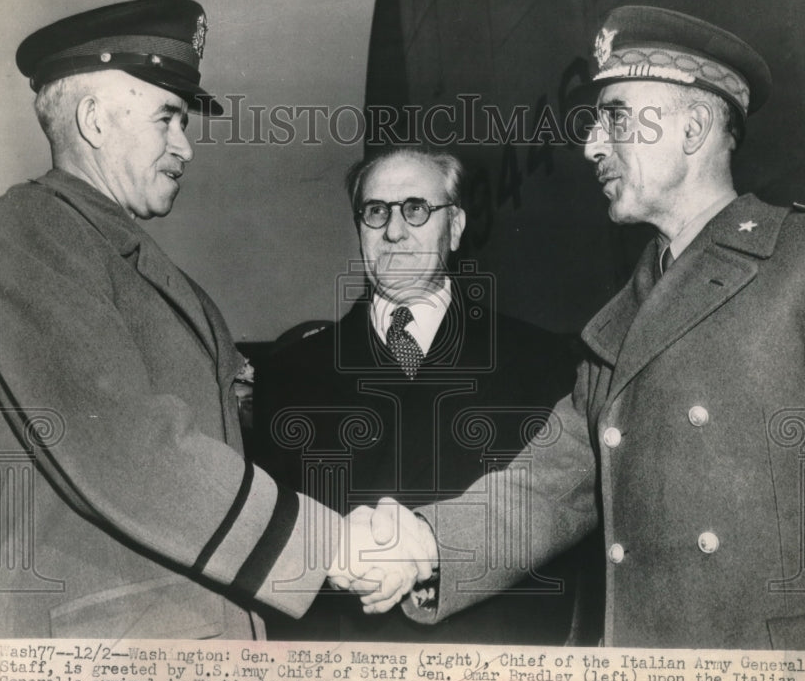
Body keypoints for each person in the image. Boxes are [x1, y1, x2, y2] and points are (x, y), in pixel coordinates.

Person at [359, 5, 805, 651]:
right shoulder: (618, 324)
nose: (591, 143)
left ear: (695, 126)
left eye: (616, 115)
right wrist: (422, 543)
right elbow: (544, 489)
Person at [0, 0, 388, 639]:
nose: (186, 147)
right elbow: (125, 444)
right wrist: (326, 547)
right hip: (100, 663)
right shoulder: (26, 231)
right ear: (94, 120)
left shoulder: (127, 256)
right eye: (168, 118)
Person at [251, 146, 602, 644]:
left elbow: (557, 536)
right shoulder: (287, 374)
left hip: (493, 671)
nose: (395, 231)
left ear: (455, 227)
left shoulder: (543, 362)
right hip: (342, 672)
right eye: (376, 212)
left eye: (416, 209)